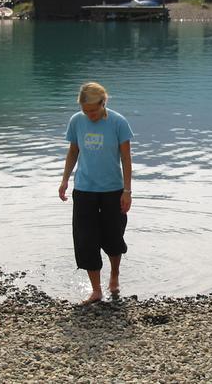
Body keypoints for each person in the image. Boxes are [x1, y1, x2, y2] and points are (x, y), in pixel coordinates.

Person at [59, 82, 134, 304]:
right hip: (84, 189)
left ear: (103, 103)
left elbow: (126, 158)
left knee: (113, 235)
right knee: (85, 239)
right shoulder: (76, 121)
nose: (90, 115)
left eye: (93, 110)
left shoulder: (118, 122)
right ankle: (96, 290)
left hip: (113, 190)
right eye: (86, 111)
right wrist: (64, 180)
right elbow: (73, 151)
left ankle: (114, 275)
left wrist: (127, 191)